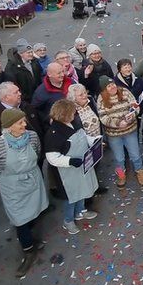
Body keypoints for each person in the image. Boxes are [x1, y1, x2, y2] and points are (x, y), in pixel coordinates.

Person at [0, 108, 49, 277]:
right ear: (9, 126)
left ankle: (31, 236)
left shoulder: (32, 137)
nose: (24, 124)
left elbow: (37, 152)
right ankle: (28, 251)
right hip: (12, 185)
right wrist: (4, 180)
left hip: (33, 179)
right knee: (19, 219)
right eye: (20, 122)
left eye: (24, 120)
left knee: (35, 211)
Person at [44, 99, 99, 235]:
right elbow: (52, 157)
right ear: (64, 114)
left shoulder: (73, 123)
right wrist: (69, 161)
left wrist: (94, 140)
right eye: (72, 112)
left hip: (81, 165)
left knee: (82, 189)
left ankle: (81, 211)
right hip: (67, 173)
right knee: (71, 197)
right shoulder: (53, 134)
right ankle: (68, 220)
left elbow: (83, 137)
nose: (75, 114)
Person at [97, 76, 143, 189]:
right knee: (119, 158)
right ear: (104, 90)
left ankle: (140, 172)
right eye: (109, 86)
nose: (113, 87)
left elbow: (135, 106)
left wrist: (132, 115)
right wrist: (118, 123)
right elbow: (103, 117)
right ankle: (121, 175)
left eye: (113, 84)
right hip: (114, 135)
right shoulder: (101, 99)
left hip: (130, 131)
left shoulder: (125, 92)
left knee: (135, 155)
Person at [68, 83, 108, 196]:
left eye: (85, 92)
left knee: (95, 164)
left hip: (96, 140)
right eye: (81, 95)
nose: (85, 95)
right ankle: (88, 194)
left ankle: (95, 187)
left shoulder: (90, 101)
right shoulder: (71, 110)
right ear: (73, 98)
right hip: (84, 144)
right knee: (86, 169)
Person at [31, 62, 75, 135]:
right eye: (58, 73)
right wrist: (48, 119)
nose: (62, 75)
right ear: (49, 74)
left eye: (62, 71)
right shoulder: (41, 92)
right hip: (59, 127)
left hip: (74, 120)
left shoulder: (71, 82)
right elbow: (36, 111)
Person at [5, 39, 43, 103]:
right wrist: (22, 97)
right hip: (24, 99)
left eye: (31, 52)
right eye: (28, 52)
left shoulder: (34, 61)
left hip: (36, 95)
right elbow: (12, 83)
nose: (31, 54)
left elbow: (40, 76)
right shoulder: (12, 66)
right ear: (20, 54)